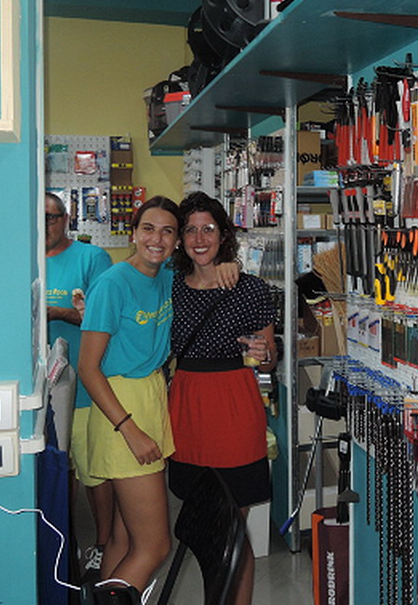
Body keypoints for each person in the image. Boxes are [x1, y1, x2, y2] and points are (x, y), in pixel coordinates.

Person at [78, 196, 238, 599]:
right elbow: (88, 368)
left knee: (124, 536)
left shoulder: (166, 275)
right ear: (133, 233)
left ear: (177, 240)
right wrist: (129, 429)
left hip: (151, 398)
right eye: (148, 229)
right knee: (154, 546)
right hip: (121, 410)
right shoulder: (112, 284)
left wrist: (229, 264)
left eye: (168, 231)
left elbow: (205, 267)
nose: (158, 239)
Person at [167, 191, 276, 605]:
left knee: (233, 531)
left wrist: (265, 355)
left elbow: (269, 359)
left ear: (224, 234)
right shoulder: (169, 288)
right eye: (190, 230)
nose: (200, 239)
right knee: (203, 530)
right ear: (180, 238)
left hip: (235, 412)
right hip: (187, 414)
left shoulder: (249, 289)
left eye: (208, 229)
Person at [44, 192, 112, 575]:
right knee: (57, 470)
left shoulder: (92, 259)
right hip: (41, 390)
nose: (45, 225)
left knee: (93, 472)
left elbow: (103, 316)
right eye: (38, 218)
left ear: (66, 219)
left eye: (52, 217)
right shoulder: (23, 258)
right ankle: (63, 542)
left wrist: (58, 313)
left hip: (83, 388)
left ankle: (103, 544)